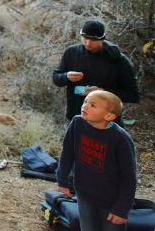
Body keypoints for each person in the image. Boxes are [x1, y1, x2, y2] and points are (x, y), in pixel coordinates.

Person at [56, 90, 137, 231]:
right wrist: (62, 180)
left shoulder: (120, 139)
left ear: (109, 116)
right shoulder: (77, 123)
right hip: (84, 194)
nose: (85, 106)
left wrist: (121, 209)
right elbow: (67, 153)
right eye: (85, 101)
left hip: (111, 201)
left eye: (93, 105)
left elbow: (129, 177)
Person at [53, 20, 139, 122]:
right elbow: (56, 78)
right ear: (80, 35)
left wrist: (102, 92)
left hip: (105, 122)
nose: (88, 43)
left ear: (102, 39)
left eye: (93, 39)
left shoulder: (119, 60)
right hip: (76, 118)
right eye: (85, 38)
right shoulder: (71, 52)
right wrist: (66, 76)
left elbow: (133, 95)